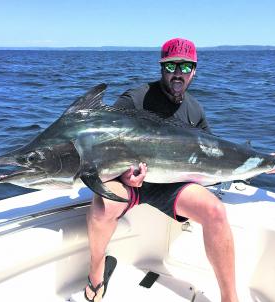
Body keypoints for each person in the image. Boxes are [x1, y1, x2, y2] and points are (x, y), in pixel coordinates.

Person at [84, 37, 238, 302]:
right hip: (130, 181)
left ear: (194, 71)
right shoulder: (135, 99)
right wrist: (123, 175)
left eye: (185, 67)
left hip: (172, 184)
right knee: (102, 208)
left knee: (215, 211)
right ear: (161, 67)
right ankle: (96, 273)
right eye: (171, 66)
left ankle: (230, 298)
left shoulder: (195, 110)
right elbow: (103, 141)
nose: (178, 73)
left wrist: (266, 162)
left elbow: (214, 152)